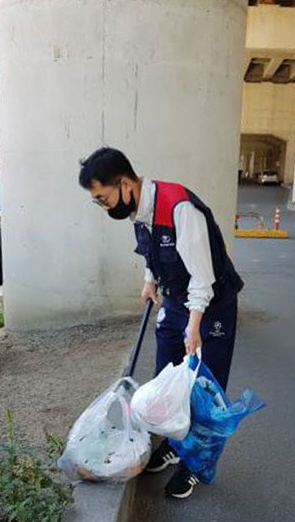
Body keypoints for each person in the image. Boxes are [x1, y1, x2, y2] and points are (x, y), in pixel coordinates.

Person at [78, 147, 244, 499]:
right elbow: (152, 248)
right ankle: (173, 441)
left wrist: (195, 324)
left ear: (125, 184)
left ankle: (194, 464)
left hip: (210, 305)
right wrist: (150, 279)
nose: (104, 206)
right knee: (167, 377)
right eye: (97, 201)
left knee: (203, 388)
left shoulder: (180, 208)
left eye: (103, 198)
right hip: (175, 299)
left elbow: (204, 276)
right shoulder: (139, 210)